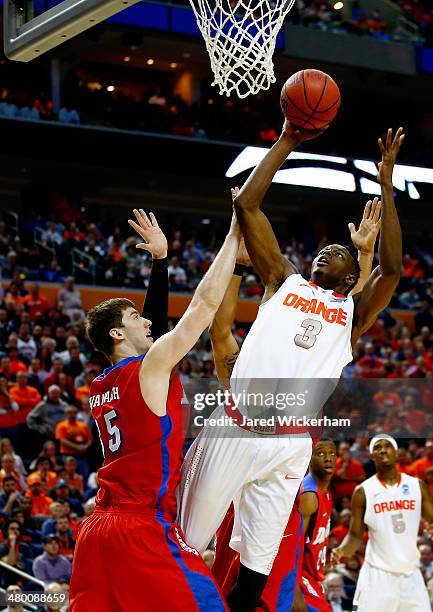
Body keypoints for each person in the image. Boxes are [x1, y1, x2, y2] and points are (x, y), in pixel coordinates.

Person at [179, 124, 403, 610]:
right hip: (237, 426)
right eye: (326, 249)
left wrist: (386, 185)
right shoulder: (284, 279)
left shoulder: (353, 316)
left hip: (290, 443)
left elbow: (393, 270)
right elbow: (248, 207)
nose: (328, 252)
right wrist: (288, 138)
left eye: (340, 254)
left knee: (255, 574)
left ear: (351, 276)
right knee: (185, 545)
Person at [69, 209, 240, 611]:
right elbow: (203, 307)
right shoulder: (147, 370)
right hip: (139, 525)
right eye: (134, 318)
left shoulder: (103, 384)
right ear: (116, 333)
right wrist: (234, 231)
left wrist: (160, 263)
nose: (145, 321)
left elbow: (154, 334)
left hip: (96, 534)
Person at [332, 434, 433, 611]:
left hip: (411, 573)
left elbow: (431, 521)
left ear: (396, 452)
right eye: (377, 447)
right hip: (377, 575)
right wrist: (341, 551)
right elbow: (355, 535)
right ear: (371, 456)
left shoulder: (417, 486)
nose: (383, 450)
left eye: (387, 446)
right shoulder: (363, 491)